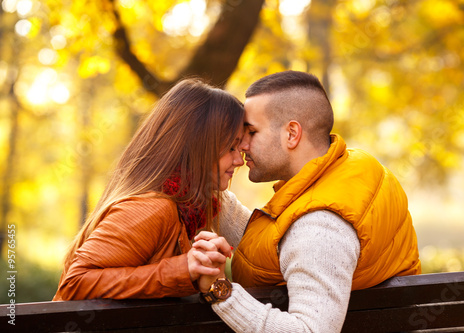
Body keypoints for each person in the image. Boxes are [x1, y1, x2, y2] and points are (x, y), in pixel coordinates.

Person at [192, 70, 421, 332]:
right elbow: (274, 244)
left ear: (292, 133)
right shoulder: (345, 170)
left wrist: (219, 290)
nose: (242, 144)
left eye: (252, 131)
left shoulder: (320, 228)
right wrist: (204, 185)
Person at [53, 78, 241, 300]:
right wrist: (184, 269)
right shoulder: (154, 208)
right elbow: (74, 285)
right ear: (198, 145)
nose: (239, 160)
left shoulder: (188, 210)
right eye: (231, 146)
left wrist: (209, 282)